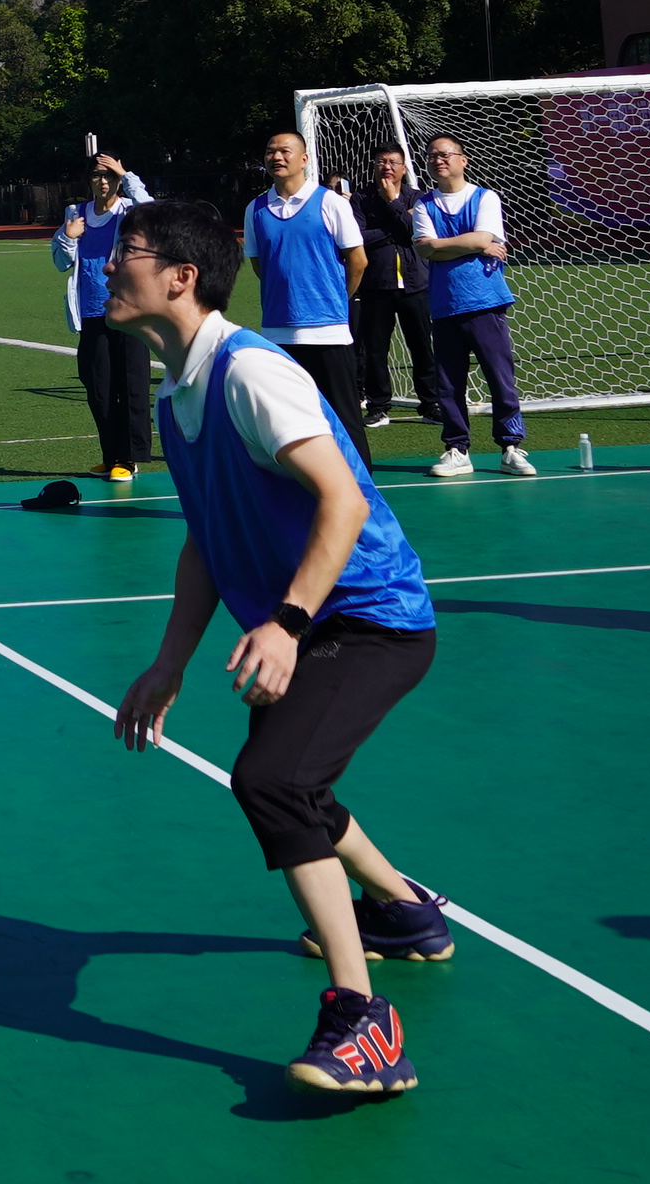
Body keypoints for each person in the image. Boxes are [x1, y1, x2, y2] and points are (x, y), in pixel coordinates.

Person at [101, 197, 443, 1097]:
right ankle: (405, 912)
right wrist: (169, 662)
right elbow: (206, 538)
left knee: (273, 779)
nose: (109, 263)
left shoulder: (250, 372)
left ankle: (366, 1023)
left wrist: (286, 623)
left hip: (370, 617)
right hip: (314, 620)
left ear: (181, 278)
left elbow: (344, 500)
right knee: (297, 780)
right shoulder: (177, 392)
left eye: (127, 250)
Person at [412, 134, 532, 479]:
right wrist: (471, 245)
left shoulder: (485, 197)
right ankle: (457, 448)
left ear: (463, 160)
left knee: (499, 377)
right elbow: (425, 249)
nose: (438, 160)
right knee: (449, 384)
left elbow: (480, 238)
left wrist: (444, 244)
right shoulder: (423, 205)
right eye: (432, 156)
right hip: (444, 305)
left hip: (485, 301)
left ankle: (510, 447)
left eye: (445, 154)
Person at [242, 132, 372, 446]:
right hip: (277, 331)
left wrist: (336, 299)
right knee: (289, 422)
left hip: (328, 331)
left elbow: (358, 260)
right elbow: (261, 265)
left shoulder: (330, 202)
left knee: (344, 418)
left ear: (304, 159)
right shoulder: (255, 209)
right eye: (270, 151)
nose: (276, 157)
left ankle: (358, 477)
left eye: (285, 151)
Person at [55, 154, 157, 481]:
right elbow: (60, 262)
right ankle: (110, 454)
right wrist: (68, 236)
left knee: (131, 385)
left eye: (109, 176)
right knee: (98, 386)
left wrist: (126, 173)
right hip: (91, 313)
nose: (103, 182)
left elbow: (153, 211)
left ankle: (129, 458)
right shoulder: (76, 213)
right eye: (97, 176)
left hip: (127, 311)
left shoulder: (129, 210)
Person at [349, 145, 425, 427]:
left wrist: (393, 202)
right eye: (381, 162)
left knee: (422, 347)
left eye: (393, 162)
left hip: (415, 284)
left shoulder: (417, 197)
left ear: (404, 168)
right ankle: (378, 406)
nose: (387, 167)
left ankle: (430, 404)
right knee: (375, 350)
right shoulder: (361, 198)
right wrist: (395, 225)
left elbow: (416, 232)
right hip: (376, 285)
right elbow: (357, 237)